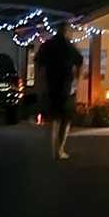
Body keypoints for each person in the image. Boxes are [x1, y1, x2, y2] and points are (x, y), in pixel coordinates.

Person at [35, 23, 83, 160]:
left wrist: (40, 83)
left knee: (54, 119)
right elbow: (80, 62)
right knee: (65, 119)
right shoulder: (69, 47)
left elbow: (38, 63)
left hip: (51, 87)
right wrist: (76, 81)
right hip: (66, 88)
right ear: (66, 31)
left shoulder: (48, 45)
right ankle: (60, 150)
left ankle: (52, 149)